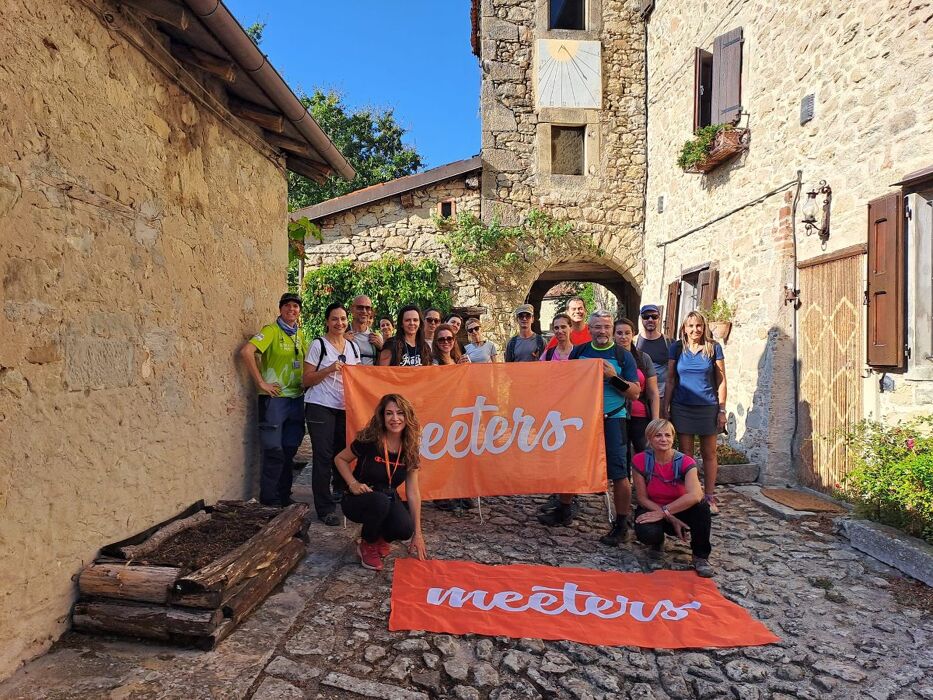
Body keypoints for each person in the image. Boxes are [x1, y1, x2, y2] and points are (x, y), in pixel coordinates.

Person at [538, 310, 640, 538]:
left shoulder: (623, 356)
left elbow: (634, 393)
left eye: (606, 326)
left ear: (611, 328)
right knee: (569, 465)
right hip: (582, 419)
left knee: (619, 473)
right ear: (589, 329)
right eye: (597, 327)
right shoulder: (580, 352)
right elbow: (565, 384)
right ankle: (564, 509)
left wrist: (613, 377)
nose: (601, 331)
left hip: (613, 418)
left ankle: (621, 525)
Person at [334, 394, 427, 571]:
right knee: (380, 502)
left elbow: (413, 492)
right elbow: (340, 459)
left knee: (404, 529)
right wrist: (352, 483)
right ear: (382, 417)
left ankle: (380, 539)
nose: (395, 418)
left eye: (400, 413)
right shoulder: (370, 440)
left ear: (407, 417)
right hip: (358, 498)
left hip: (387, 497)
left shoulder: (410, 448)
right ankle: (367, 544)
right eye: (389, 413)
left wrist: (418, 534)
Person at [239, 293, 309, 507]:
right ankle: (269, 501)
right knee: (273, 451)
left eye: (296, 306)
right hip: (274, 400)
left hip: (296, 400)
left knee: (289, 450)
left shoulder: (300, 334)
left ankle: (284, 496)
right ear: (280, 309)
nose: (292, 309)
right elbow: (247, 351)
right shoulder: (271, 331)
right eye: (287, 305)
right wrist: (261, 382)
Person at [663, 310, 727, 515]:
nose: (695, 329)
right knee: (686, 454)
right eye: (691, 326)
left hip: (708, 406)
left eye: (698, 325)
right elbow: (671, 379)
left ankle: (709, 496)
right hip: (682, 406)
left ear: (704, 326)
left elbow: (722, 380)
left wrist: (722, 409)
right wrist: (666, 407)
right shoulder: (677, 348)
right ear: (684, 328)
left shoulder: (713, 348)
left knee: (709, 453)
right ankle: (689, 494)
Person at [303, 303, 361, 525]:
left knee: (342, 455)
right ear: (327, 321)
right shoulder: (319, 345)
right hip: (320, 406)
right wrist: (329, 369)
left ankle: (342, 497)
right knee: (323, 458)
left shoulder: (352, 348)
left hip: (344, 408)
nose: (340, 323)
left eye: (343, 319)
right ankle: (325, 509)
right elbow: (306, 380)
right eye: (335, 319)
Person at [633, 419, 714, 577]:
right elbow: (642, 498)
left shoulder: (685, 462)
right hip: (654, 507)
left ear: (673, 438)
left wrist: (666, 512)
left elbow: (696, 495)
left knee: (703, 508)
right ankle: (656, 545)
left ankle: (700, 556)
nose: (663, 439)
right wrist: (668, 516)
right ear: (649, 438)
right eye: (658, 435)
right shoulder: (640, 460)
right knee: (645, 531)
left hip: (679, 509)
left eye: (667, 435)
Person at [615, 317, 660, 457]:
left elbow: (653, 392)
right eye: (619, 333)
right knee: (622, 457)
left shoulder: (643, 358)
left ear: (633, 334)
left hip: (640, 415)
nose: (623, 337)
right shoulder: (609, 358)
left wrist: (655, 420)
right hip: (616, 414)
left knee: (647, 455)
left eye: (627, 333)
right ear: (613, 334)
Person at [636, 304, 671, 402]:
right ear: (641, 319)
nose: (650, 319)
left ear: (659, 319)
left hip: (661, 396)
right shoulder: (634, 341)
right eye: (646, 317)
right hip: (639, 396)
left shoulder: (668, 342)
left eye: (654, 316)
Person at [345, 295, 383, 366]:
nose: (364, 311)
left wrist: (382, 349)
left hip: (370, 376)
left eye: (368, 308)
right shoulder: (342, 334)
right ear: (351, 309)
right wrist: (341, 342)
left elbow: (383, 367)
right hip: (348, 376)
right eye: (360, 307)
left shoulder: (376, 338)